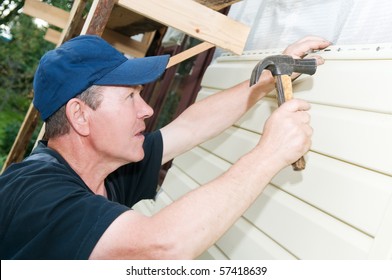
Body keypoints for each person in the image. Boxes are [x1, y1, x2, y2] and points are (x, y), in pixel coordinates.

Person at [0, 35, 330, 259]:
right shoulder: (34, 192)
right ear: (80, 116)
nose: (146, 110)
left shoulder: (104, 170)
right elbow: (159, 247)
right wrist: (269, 153)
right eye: (130, 97)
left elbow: (190, 127)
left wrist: (264, 81)